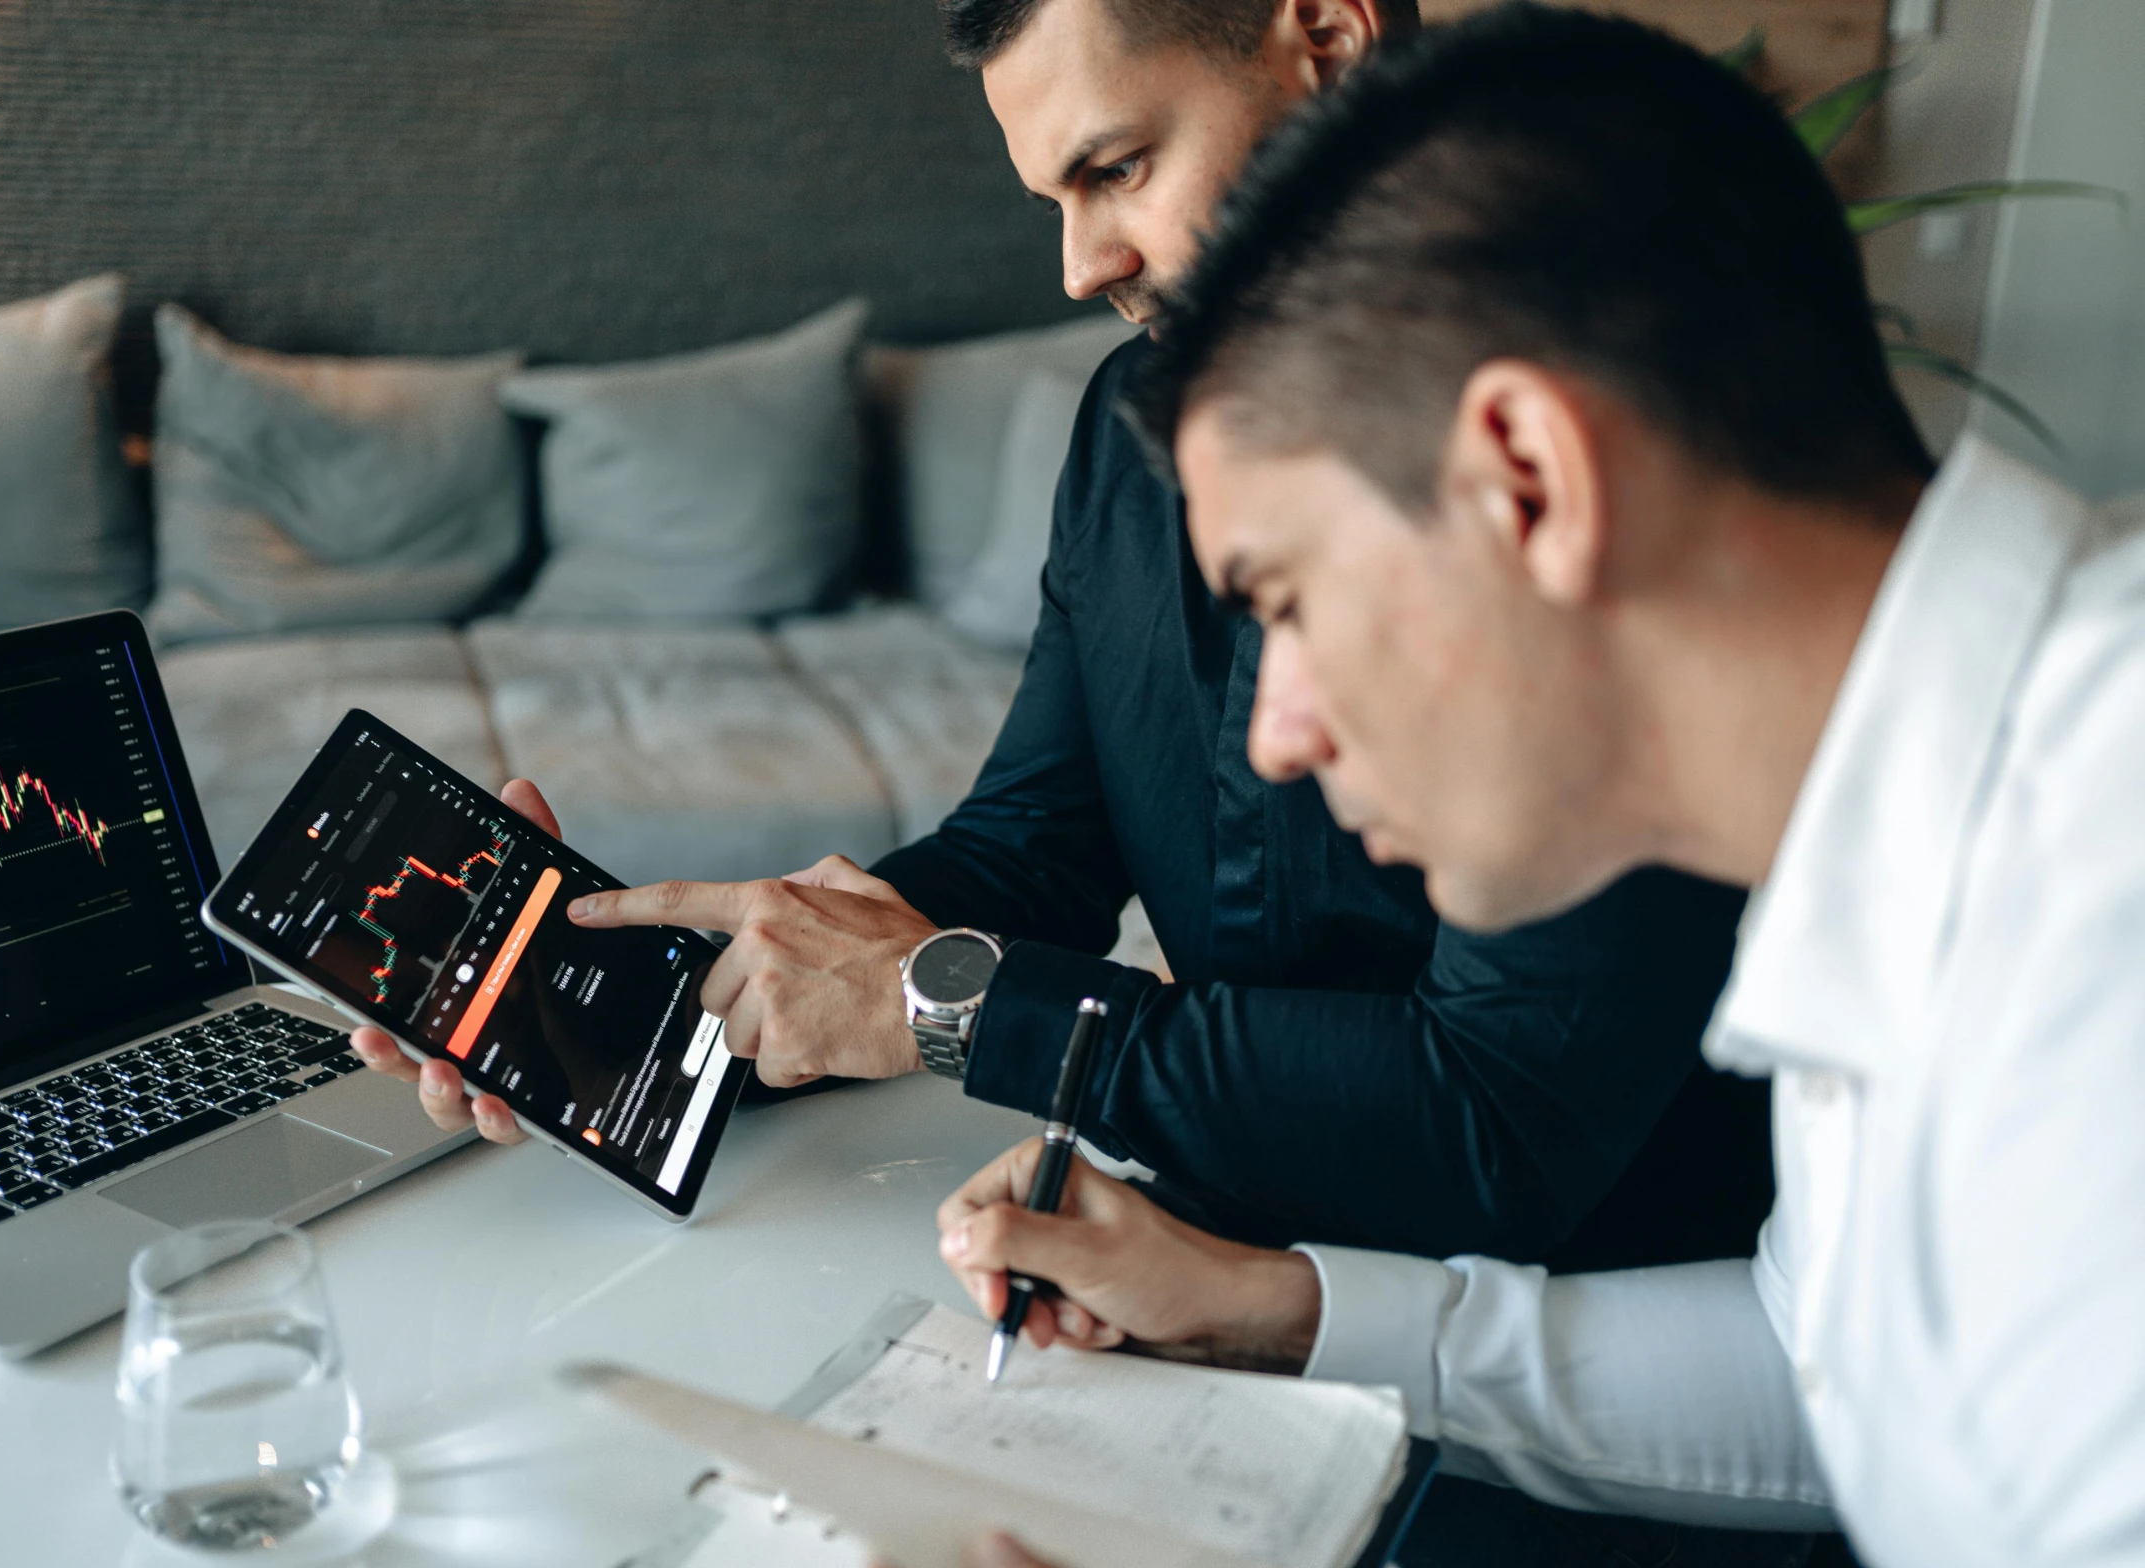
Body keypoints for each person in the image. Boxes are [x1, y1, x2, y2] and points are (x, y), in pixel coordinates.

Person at [938, 9, 2145, 1565]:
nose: (1275, 736)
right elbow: (1829, 1368)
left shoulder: (2101, 905)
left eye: (1289, 599)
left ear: (1529, 478)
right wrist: (1272, 1310)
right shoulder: (1925, 806)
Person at [354, 0, 1770, 1275]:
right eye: (1054, 196)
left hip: (1564, 1359)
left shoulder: (1567, 463)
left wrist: (944, 1004)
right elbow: (1030, 850)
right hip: (1196, 1259)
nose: (1081, 265)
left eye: (1116, 168)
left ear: (1325, 42)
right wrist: (663, 1017)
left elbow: (1495, 1134)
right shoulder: (1127, 425)